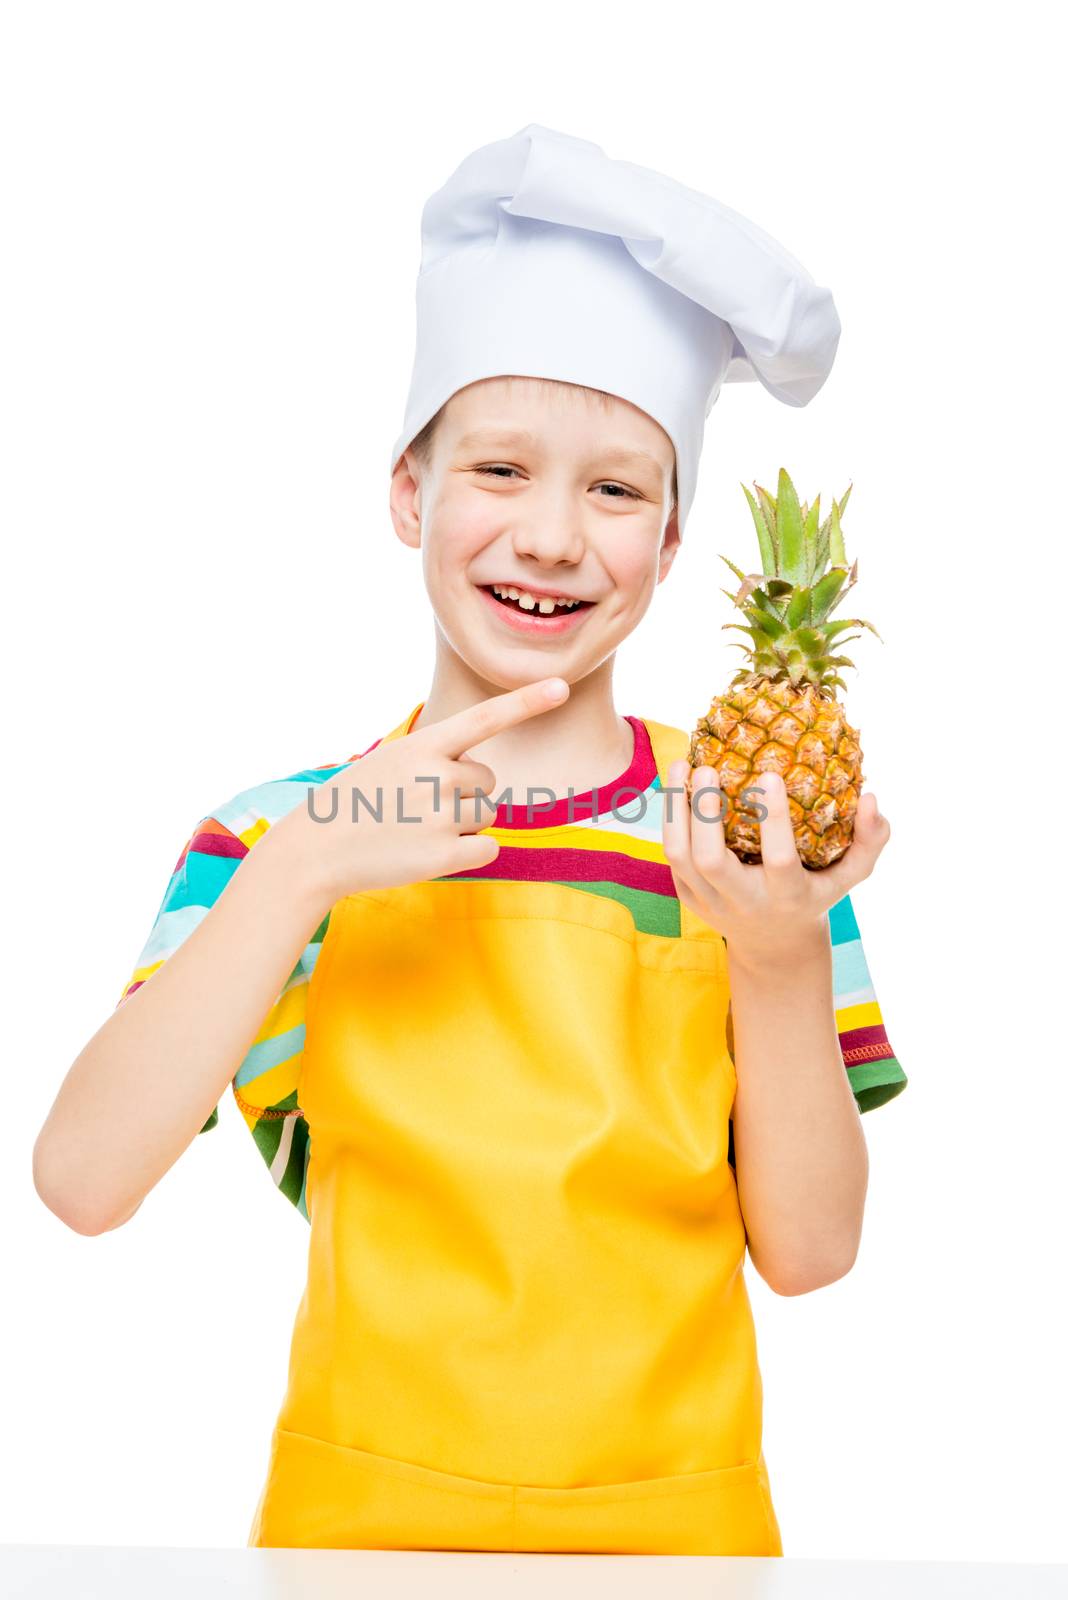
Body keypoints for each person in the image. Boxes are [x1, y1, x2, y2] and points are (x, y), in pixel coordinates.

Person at [33, 123, 907, 1556]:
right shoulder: (279, 832)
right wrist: (309, 865)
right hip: (356, 1534)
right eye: (500, 469)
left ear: (673, 546)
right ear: (408, 495)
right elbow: (81, 1180)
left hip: (676, 1541)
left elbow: (810, 1257)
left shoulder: (744, 836)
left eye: (617, 490)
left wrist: (778, 949)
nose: (554, 536)